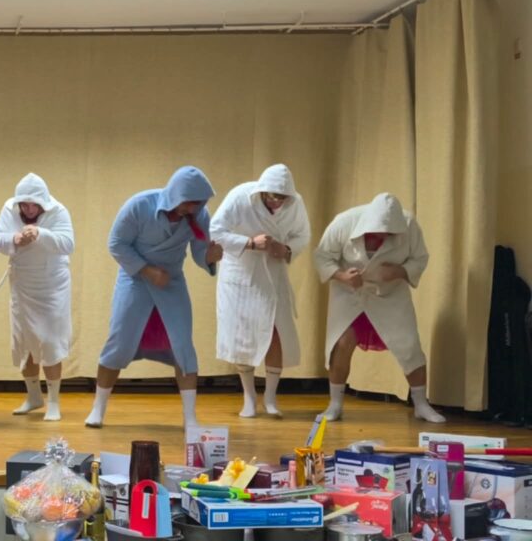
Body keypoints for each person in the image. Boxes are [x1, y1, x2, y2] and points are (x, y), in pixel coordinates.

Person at [84, 166, 223, 429]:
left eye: (197, 203)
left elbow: (199, 251)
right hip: (135, 278)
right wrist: (147, 270)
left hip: (171, 281)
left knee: (183, 345)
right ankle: (97, 408)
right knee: (119, 340)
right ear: (175, 195)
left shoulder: (199, 215)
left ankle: (190, 418)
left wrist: (209, 257)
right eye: (188, 202)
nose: (192, 208)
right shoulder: (139, 205)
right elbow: (116, 243)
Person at [314, 193, 445, 423]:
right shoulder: (344, 222)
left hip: (390, 294)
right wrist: (342, 276)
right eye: (376, 234)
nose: (381, 238)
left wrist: (399, 271)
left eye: (387, 235)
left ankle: (421, 405)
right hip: (350, 293)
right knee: (341, 343)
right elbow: (322, 256)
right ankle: (335, 404)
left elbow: (420, 258)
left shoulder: (409, 225)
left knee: (409, 345)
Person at [210, 164, 310, 417]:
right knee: (242, 336)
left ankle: (270, 398)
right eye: (272, 197)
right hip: (241, 273)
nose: (277, 202)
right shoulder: (240, 196)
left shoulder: (296, 203)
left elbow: (303, 235)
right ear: (263, 191)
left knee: (276, 333)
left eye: (282, 198)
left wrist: (286, 249)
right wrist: (249, 243)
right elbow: (216, 230)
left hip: (273, 272)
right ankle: (249, 397)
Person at [0, 173, 74, 421]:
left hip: (52, 286)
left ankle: (54, 402)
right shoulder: (9, 209)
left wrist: (40, 234)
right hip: (22, 285)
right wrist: (14, 239)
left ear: (43, 202)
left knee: (50, 341)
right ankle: (34, 396)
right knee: (24, 340)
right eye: (24, 205)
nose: (28, 209)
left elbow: (68, 244)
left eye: (33, 205)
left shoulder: (59, 211)